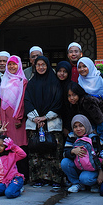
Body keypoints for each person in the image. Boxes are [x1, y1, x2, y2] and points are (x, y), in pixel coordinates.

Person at [24, 56, 64, 190]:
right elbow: (27, 102)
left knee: (53, 152)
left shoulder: (55, 83)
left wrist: (45, 118)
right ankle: (38, 178)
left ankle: (55, 179)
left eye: (43, 65)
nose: (41, 67)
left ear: (48, 66)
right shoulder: (31, 83)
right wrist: (36, 118)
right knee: (36, 152)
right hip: (34, 123)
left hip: (52, 124)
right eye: (38, 65)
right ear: (35, 67)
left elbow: (58, 103)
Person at [0, 55, 28, 180]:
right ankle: (8, 174)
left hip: (17, 118)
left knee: (19, 145)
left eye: (14, 64)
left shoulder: (22, 81)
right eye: (9, 64)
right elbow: (1, 101)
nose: (11, 66)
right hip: (5, 117)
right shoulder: (4, 80)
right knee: (6, 146)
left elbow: (22, 100)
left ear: (19, 65)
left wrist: (19, 117)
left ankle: (22, 175)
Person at [77, 57, 103, 146]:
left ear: (90, 66)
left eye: (84, 66)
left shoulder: (100, 78)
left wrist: (98, 129)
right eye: (79, 67)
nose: (82, 69)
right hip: (91, 122)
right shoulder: (80, 81)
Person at [61, 114, 103, 193]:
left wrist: (101, 171)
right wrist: (72, 151)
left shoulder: (94, 138)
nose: (78, 129)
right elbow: (64, 153)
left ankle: (93, 183)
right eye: (75, 127)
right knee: (65, 162)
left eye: (81, 126)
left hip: (91, 169)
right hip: (78, 166)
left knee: (85, 178)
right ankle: (76, 183)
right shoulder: (72, 136)